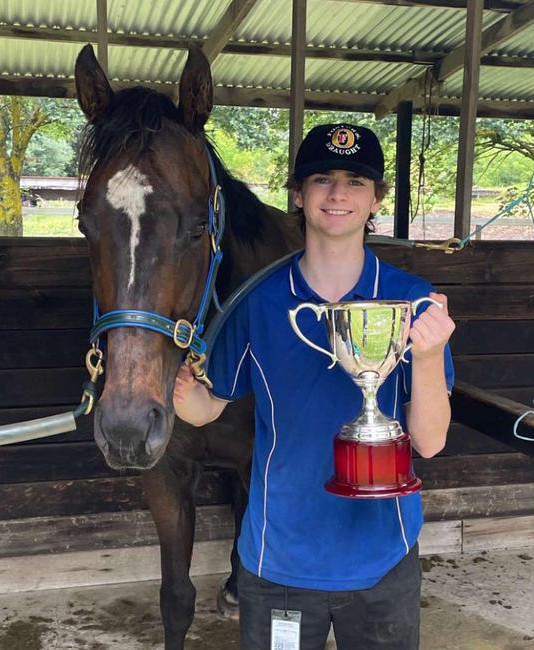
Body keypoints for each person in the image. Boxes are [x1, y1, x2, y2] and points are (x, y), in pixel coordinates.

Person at [174, 123, 455, 650]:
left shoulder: (411, 300)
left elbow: (430, 441)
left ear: (376, 199)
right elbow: (205, 408)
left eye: (355, 180)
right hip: (277, 560)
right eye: (322, 179)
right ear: (298, 196)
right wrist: (171, 380)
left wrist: (431, 354)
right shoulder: (258, 302)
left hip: (382, 558)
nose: (338, 194)